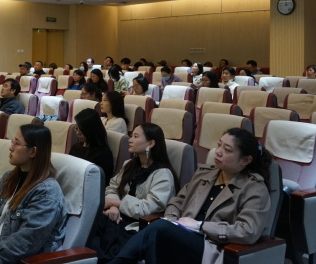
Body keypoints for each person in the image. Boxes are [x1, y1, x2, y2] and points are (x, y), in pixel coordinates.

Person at [110, 128, 272, 264]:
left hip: (214, 247)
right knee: (160, 232)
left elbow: (248, 231)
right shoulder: (205, 174)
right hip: (184, 235)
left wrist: (200, 226)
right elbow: (177, 201)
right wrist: (172, 219)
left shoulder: (255, 188)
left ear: (245, 160)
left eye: (227, 150)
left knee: (160, 229)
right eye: (219, 145)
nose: (218, 151)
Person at [0, 124, 66, 264]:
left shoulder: (47, 193)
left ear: (33, 152)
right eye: (12, 141)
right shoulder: (8, 178)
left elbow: (25, 242)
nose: (10, 147)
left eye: (17, 143)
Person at [95, 123, 177, 262]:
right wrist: (114, 207)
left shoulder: (162, 174)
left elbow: (147, 208)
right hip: (115, 217)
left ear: (150, 143)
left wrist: (116, 203)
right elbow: (113, 187)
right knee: (91, 230)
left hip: (136, 226)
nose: (130, 140)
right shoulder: (129, 164)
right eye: (131, 135)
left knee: (112, 253)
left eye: (135, 136)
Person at [70, 108, 114, 185]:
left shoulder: (103, 154)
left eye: (81, 130)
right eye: (76, 128)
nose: (77, 133)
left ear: (90, 130)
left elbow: (100, 181)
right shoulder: (75, 148)